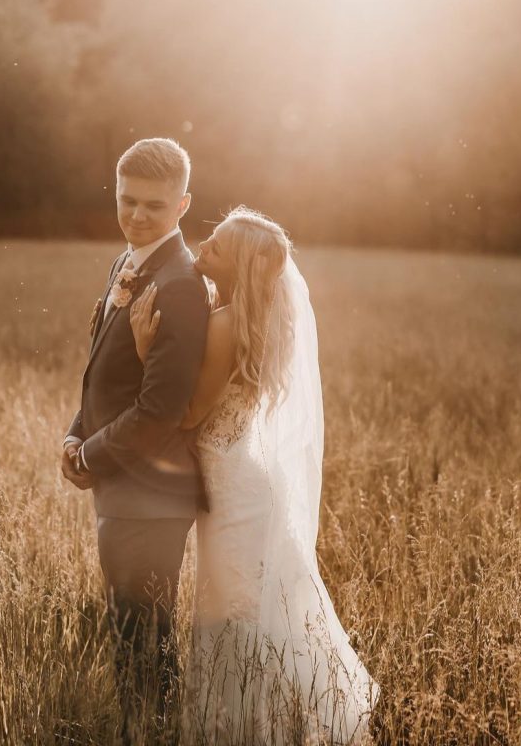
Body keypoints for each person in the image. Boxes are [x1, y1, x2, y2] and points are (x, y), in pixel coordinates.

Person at [128, 205, 380, 745]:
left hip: (231, 489)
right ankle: (271, 722)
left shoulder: (224, 325)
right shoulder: (259, 322)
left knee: (232, 612)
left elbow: (191, 415)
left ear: (239, 265)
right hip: (247, 480)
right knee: (256, 608)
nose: (205, 247)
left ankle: (244, 730)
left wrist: (147, 353)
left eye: (217, 246)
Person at [61, 137, 210, 745]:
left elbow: (160, 411)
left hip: (151, 495)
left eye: (154, 204)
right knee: (133, 643)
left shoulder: (178, 283)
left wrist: (90, 456)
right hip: (124, 489)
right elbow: (105, 368)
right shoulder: (126, 263)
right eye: (127, 201)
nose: (137, 215)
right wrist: (76, 431)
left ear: (183, 204)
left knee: (144, 651)